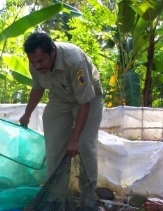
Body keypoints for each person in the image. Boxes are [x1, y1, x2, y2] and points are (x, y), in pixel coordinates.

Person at [19, 31, 103, 187]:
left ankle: (88, 194)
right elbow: (37, 88)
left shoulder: (74, 61)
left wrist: (75, 138)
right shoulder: (34, 62)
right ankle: (55, 194)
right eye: (33, 62)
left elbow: (84, 102)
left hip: (88, 99)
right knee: (53, 146)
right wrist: (27, 114)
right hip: (60, 97)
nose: (37, 66)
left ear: (52, 51)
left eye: (41, 61)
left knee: (85, 145)